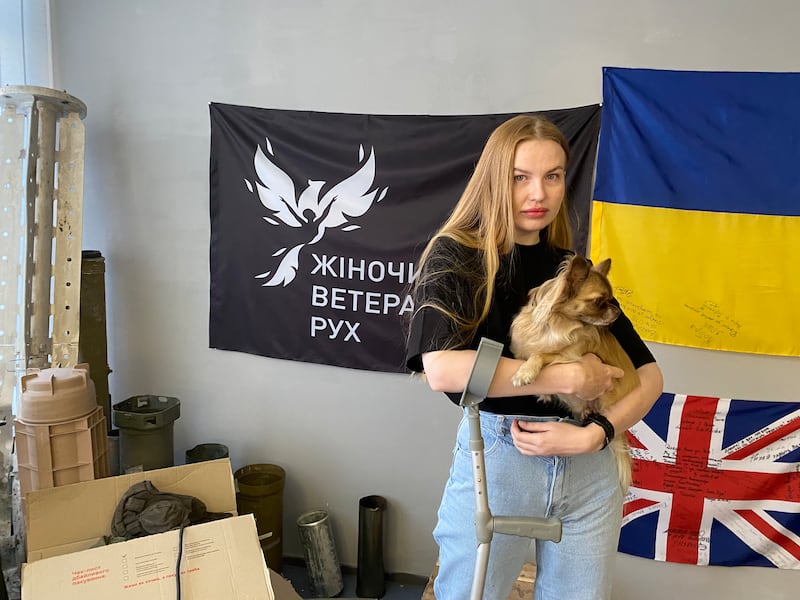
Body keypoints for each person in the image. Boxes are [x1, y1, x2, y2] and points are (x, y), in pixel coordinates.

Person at [405, 114, 664, 600]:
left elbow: (650, 377)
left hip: (590, 470)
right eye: (520, 177)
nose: (538, 194)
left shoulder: (573, 270)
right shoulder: (457, 256)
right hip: (502, 459)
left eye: (553, 176)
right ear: (495, 178)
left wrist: (597, 434)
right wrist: (565, 377)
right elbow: (443, 369)